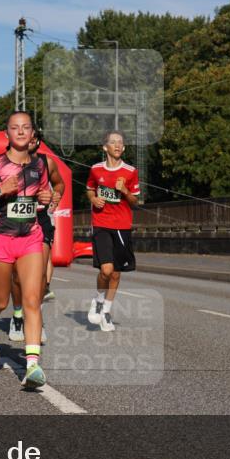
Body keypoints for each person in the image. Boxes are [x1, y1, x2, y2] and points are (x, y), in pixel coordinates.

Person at [0, 111, 51, 387]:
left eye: (26, 127)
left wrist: (47, 197)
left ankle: (32, 365)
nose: (21, 131)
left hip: (30, 237)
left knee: (32, 299)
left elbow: (44, 195)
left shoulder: (40, 164)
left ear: (32, 133)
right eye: (15, 127)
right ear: (7, 134)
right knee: (0, 302)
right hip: (0, 239)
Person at [8, 131, 64, 342]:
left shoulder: (47, 162)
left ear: (38, 141)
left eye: (34, 138)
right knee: (16, 274)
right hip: (15, 219)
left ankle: (35, 318)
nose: (30, 141)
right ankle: (17, 315)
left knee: (39, 273)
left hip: (40, 219)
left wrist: (56, 195)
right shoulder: (6, 161)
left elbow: (59, 183)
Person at [86, 131, 140, 332]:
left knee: (116, 274)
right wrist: (93, 199)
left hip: (122, 226)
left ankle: (106, 312)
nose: (117, 145)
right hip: (101, 223)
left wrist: (125, 190)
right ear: (105, 147)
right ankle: (99, 300)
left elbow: (135, 202)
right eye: (113, 142)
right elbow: (90, 189)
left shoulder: (130, 171)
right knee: (106, 270)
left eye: (120, 143)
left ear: (123, 148)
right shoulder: (95, 169)